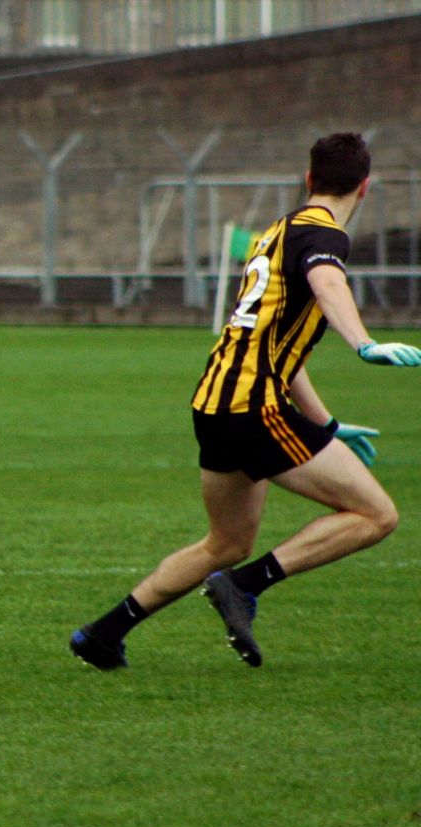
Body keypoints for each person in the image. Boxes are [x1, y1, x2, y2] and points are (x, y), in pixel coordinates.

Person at [69, 132, 421, 671]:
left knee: (226, 540)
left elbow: (285, 350)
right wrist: (364, 343)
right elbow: (329, 285)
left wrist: (326, 426)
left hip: (215, 403)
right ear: (365, 189)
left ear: (308, 180)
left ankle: (103, 634)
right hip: (255, 408)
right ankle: (244, 587)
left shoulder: (274, 234)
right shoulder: (323, 235)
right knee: (376, 514)